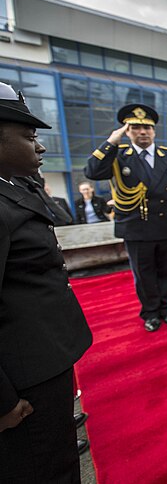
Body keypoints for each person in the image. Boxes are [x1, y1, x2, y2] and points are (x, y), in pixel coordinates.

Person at [0, 81, 92, 481]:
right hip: (21, 379)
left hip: (42, 357)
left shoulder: (13, 183)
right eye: (29, 136)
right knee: (45, 468)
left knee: (57, 453)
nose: (39, 147)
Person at [84, 104, 167, 332]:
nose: (142, 132)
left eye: (147, 128)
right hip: (137, 228)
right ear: (127, 131)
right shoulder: (118, 156)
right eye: (135, 127)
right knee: (144, 275)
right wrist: (112, 141)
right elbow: (92, 171)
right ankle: (150, 312)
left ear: (154, 131)